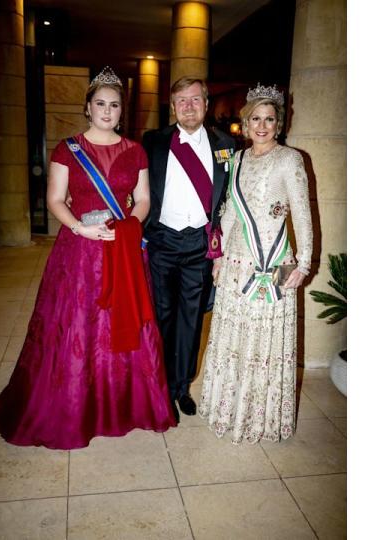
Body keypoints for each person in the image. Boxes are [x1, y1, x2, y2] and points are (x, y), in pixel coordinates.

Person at [0, 67, 176, 450]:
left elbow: (143, 201)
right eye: (100, 104)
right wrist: (79, 228)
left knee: (125, 322)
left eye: (115, 105)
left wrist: (128, 227)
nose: (107, 111)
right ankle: (74, 407)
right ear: (88, 108)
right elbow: (55, 199)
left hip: (121, 249)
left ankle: (125, 405)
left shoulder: (134, 150)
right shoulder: (67, 149)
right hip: (79, 250)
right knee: (76, 328)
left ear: (122, 111)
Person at [199, 83, 313, 444]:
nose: (261, 126)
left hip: (275, 262)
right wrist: (217, 259)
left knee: (264, 337)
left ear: (278, 123)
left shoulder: (290, 159)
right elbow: (231, 210)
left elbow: (304, 213)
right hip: (236, 262)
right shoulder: (238, 159)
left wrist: (304, 263)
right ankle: (228, 408)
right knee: (235, 333)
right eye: (255, 119)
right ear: (245, 124)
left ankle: (259, 417)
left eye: (269, 119)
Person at [143, 77, 236, 422]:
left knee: (191, 319)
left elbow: (230, 198)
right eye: (181, 100)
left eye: (195, 99)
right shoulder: (153, 141)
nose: (188, 106)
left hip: (199, 244)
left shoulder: (226, 144)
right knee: (162, 317)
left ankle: (182, 387)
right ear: (172, 106)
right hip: (162, 241)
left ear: (207, 103)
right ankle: (161, 387)